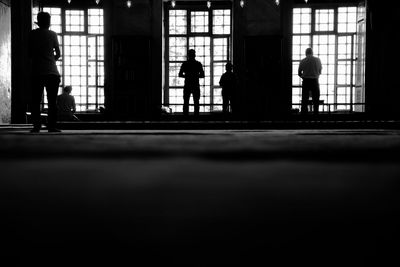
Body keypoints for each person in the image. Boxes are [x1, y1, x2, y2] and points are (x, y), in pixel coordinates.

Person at [29, 11, 61, 132]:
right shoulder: (53, 34)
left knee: (36, 101)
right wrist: (51, 58)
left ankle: (36, 126)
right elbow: (58, 54)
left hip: (37, 72)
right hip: (52, 72)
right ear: (49, 22)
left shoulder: (32, 34)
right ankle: (51, 126)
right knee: (52, 101)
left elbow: (29, 53)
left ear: (38, 22)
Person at [179, 49, 205, 116]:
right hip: (196, 85)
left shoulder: (185, 64)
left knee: (186, 102)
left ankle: (185, 118)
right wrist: (195, 76)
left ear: (188, 55)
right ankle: (196, 118)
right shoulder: (198, 64)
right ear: (194, 55)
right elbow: (202, 75)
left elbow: (180, 74)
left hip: (187, 85)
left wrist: (187, 76)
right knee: (196, 102)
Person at [298, 48, 322, 115]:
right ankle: (315, 115)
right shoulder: (317, 60)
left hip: (306, 81)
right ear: (312, 52)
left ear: (306, 53)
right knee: (316, 99)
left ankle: (304, 115)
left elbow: (299, 73)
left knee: (305, 99)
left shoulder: (303, 61)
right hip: (315, 81)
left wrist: (304, 76)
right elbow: (320, 71)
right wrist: (315, 75)